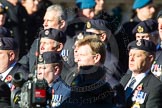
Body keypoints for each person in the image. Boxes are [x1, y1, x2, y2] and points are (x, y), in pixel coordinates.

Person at [62, 36, 125, 108]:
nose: (76, 60)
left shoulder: (113, 86)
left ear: (96, 58)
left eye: (81, 55)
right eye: (77, 55)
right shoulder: (75, 80)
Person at [115, 0, 156, 73]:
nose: (153, 10)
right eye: (149, 7)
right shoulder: (128, 28)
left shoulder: (155, 26)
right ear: (138, 9)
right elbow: (119, 52)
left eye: (153, 7)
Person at [120, 39, 162, 108]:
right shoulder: (125, 79)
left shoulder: (155, 86)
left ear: (150, 59)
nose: (131, 59)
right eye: (130, 55)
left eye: (137, 56)